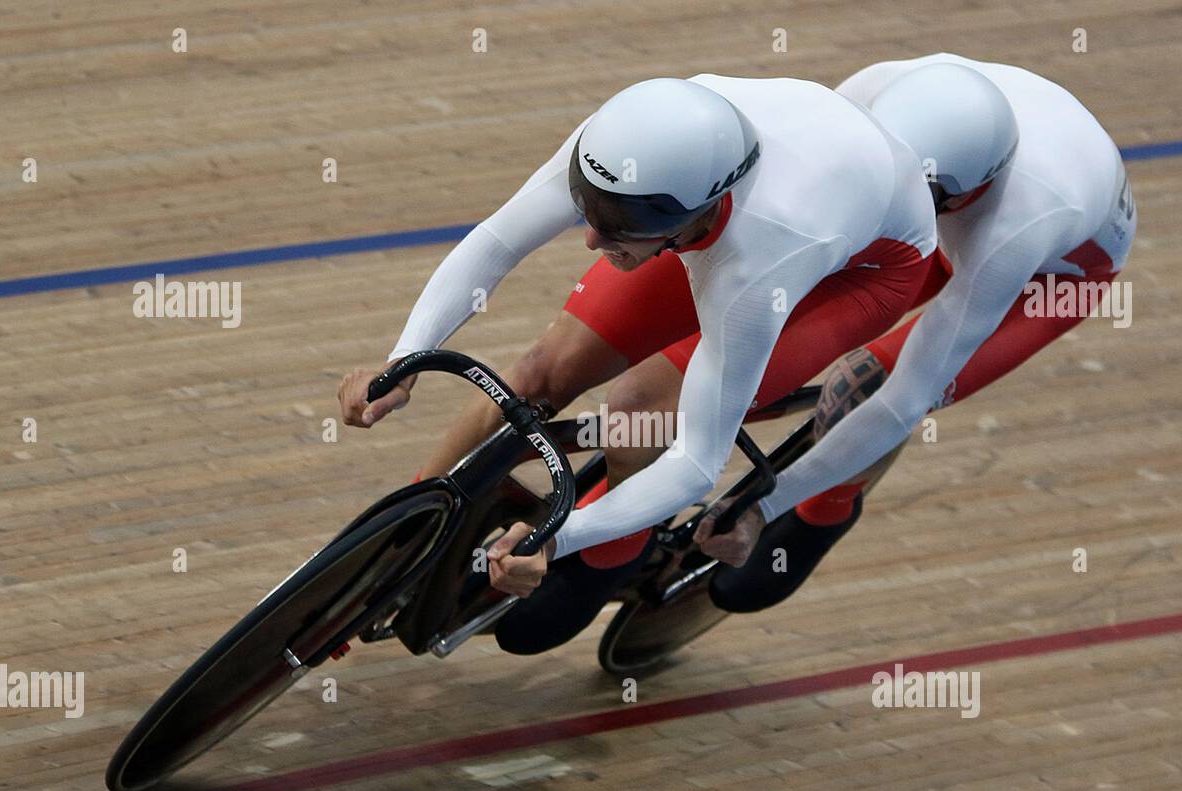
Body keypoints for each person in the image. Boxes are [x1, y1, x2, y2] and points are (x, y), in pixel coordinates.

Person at [337, 74, 938, 652]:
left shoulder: (762, 258)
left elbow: (699, 464)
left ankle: (608, 560)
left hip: (862, 269)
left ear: (693, 214)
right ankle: (402, 539)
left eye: (619, 225)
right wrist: (405, 361)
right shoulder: (625, 142)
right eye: (587, 209)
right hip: (775, 206)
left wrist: (560, 537)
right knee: (540, 371)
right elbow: (499, 239)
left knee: (639, 413)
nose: (592, 242)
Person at [696, 54, 1138, 611]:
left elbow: (907, 399)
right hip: (940, 226)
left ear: (960, 194)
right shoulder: (873, 88)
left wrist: (767, 507)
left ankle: (823, 512)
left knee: (862, 390)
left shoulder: (1020, 223)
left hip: (1051, 276)